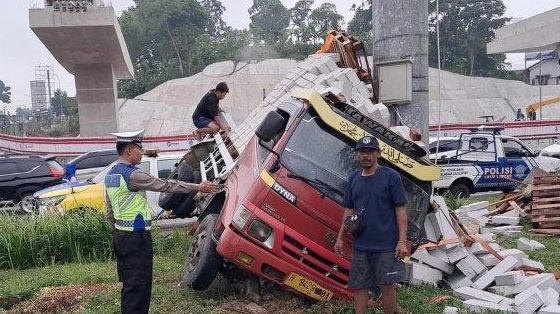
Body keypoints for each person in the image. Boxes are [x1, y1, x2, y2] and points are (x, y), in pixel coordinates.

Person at [104, 129, 220, 314]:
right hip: (137, 237)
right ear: (129, 151)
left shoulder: (110, 174)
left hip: (121, 236)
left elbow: (109, 211)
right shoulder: (133, 175)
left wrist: (117, 233)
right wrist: (199, 186)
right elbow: (166, 185)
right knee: (140, 283)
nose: (142, 152)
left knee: (129, 283)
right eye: (139, 148)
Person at [334, 135, 409, 314]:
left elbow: (401, 210)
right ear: (356, 155)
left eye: (370, 152)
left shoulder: (391, 177)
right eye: (362, 152)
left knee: (386, 287)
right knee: (359, 287)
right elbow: (349, 211)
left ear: (378, 154)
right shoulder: (353, 179)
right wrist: (339, 238)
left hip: (386, 246)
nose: (366, 156)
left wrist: (402, 241)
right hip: (360, 246)